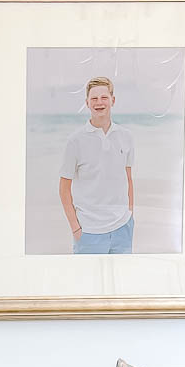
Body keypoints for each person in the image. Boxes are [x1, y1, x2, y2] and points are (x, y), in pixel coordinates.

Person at [58, 75, 135, 255]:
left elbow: (128, 178)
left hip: (123, 228)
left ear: (112, 100)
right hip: (89, 232)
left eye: (104, 98)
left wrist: (130, 214)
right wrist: (76, 228)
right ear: (87, 102)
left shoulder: (126, 136)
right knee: (86, 282)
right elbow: (63, 189)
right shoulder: (75, 141)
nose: (99, 102)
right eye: (94, 98)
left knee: (122, 281)